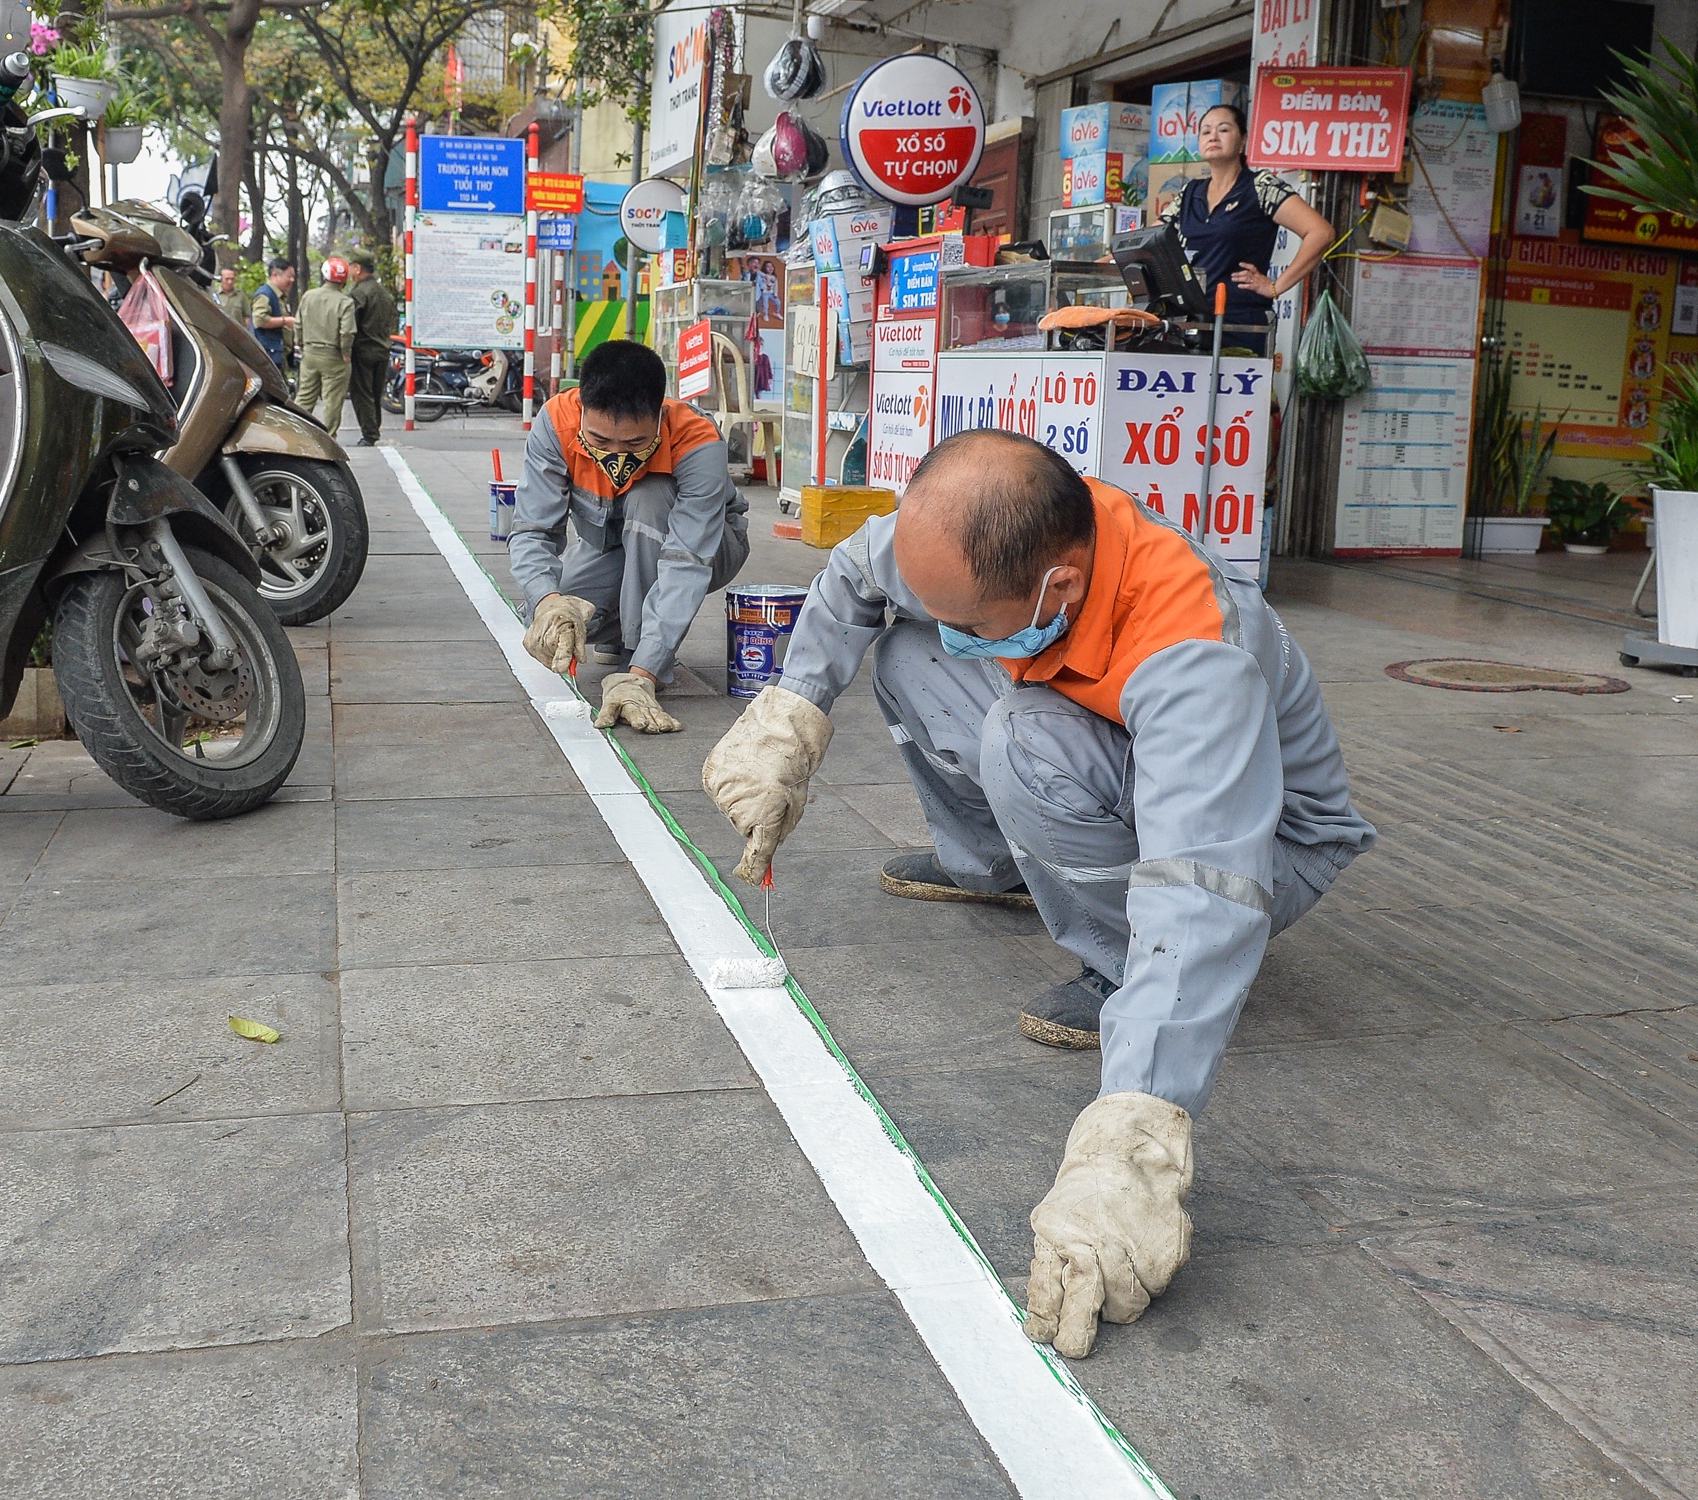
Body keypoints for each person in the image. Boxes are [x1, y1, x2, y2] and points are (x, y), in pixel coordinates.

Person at [700, 430, 1373, 1359]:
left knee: (1026, 735)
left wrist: (1131, 1145)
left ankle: (1113, 970)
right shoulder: (1000, 533)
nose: (962, 634)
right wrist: (791, 715)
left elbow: (1203, 886)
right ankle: (995, 866)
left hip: (1267, 848)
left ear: (1057, 588)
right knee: (909, 657)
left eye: (978, 618)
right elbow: (856, 580)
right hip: (1124, 765)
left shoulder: (1192, 649)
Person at [511, 339, 751, 733]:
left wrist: (643, 672)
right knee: (554, 620)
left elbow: (684, 563)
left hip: (709, 546)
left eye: (636, 443)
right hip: (611, 543)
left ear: (660, 414)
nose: (616, 455)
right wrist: (549, 602)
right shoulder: (556, 424)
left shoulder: (697, 440)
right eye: (600, 441)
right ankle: (624, 626)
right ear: (582, 408)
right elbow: (533, 530)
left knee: (648, 496)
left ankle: (637, 652)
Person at [1157, 103, 1333, 339]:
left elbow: (1321, 233)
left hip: (1239, 325)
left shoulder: (1260, 187)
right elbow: (1150, 240)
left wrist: (1276, 287)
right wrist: (1104, 260)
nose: (1213, 136)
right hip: (1191, 323)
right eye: (1206, 131)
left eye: (1224, 129)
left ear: (1242, 142)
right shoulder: (1190, 192)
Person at [294, 256, 358, 436]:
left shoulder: (308, 296)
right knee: (332, 400)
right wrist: (346, 353)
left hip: (310, 353)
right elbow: (347, 332)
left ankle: (297, 434)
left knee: (305, 397)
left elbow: (298, 324)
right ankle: (329, 438)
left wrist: (300, 343)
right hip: (334, 355)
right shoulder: (345, 302)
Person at [344, 248, 395, 447]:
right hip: (383, 349)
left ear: (357, 269)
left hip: (363, 350)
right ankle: (375, 429)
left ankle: (369, 434)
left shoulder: (358, 293)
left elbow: (351, 324)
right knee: (376, 393)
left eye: (350, 266)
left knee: (362, 394)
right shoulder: (383, 293)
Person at [250, 257, 296, 372]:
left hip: (278, 355)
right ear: (275, 275)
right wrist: (285, 321)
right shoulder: (265, 295)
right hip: (267, 356)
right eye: (288, 276)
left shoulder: (279, 296)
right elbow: (259, 320)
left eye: (293, 277)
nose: (292, 280)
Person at [212, 263, 251, 334]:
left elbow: (247, 318)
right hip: (217, 334)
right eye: (227, 279)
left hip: (238, 335)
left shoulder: (241, 296)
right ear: (221, 279)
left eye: (232, 279)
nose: (230, 282)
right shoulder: (213, 295)